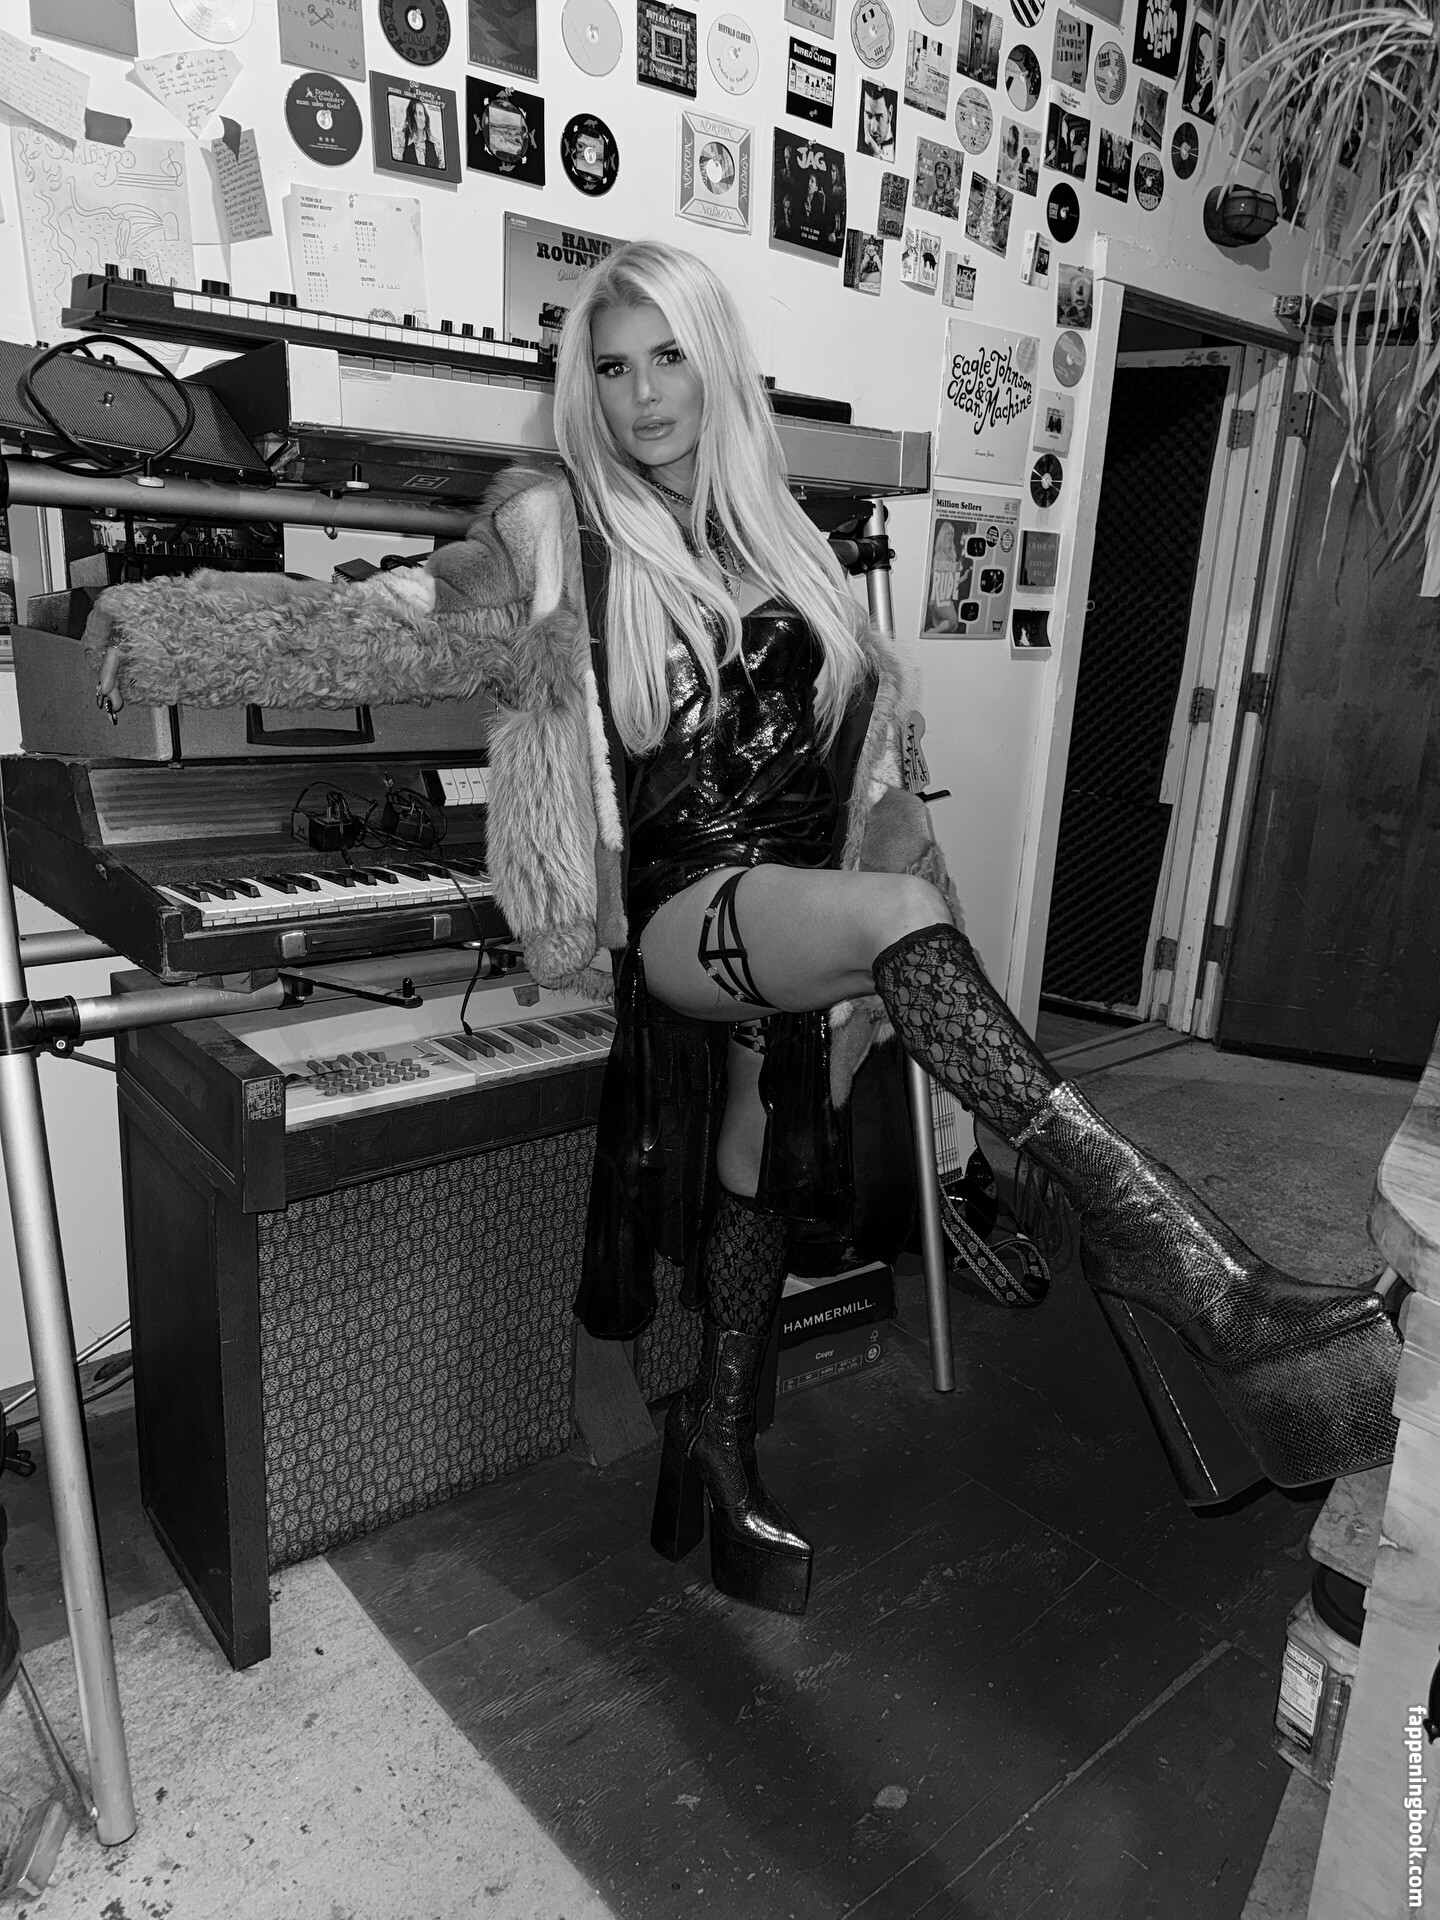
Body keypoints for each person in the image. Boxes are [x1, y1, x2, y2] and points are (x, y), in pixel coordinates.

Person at [89, 241, 1402, 1624]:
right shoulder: (553, 529)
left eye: (669, 357)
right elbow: (382, 621)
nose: (644, 394)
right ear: (583, 389)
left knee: (758, 1158)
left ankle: (715, 1444)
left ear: (716, 365)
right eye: (612, 368)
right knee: (889, 927)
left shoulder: (796, 544)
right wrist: (176, 624)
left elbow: (879, 786)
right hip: (684, 910)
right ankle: (1170, 1252)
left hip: (799, 905)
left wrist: (897, 966)